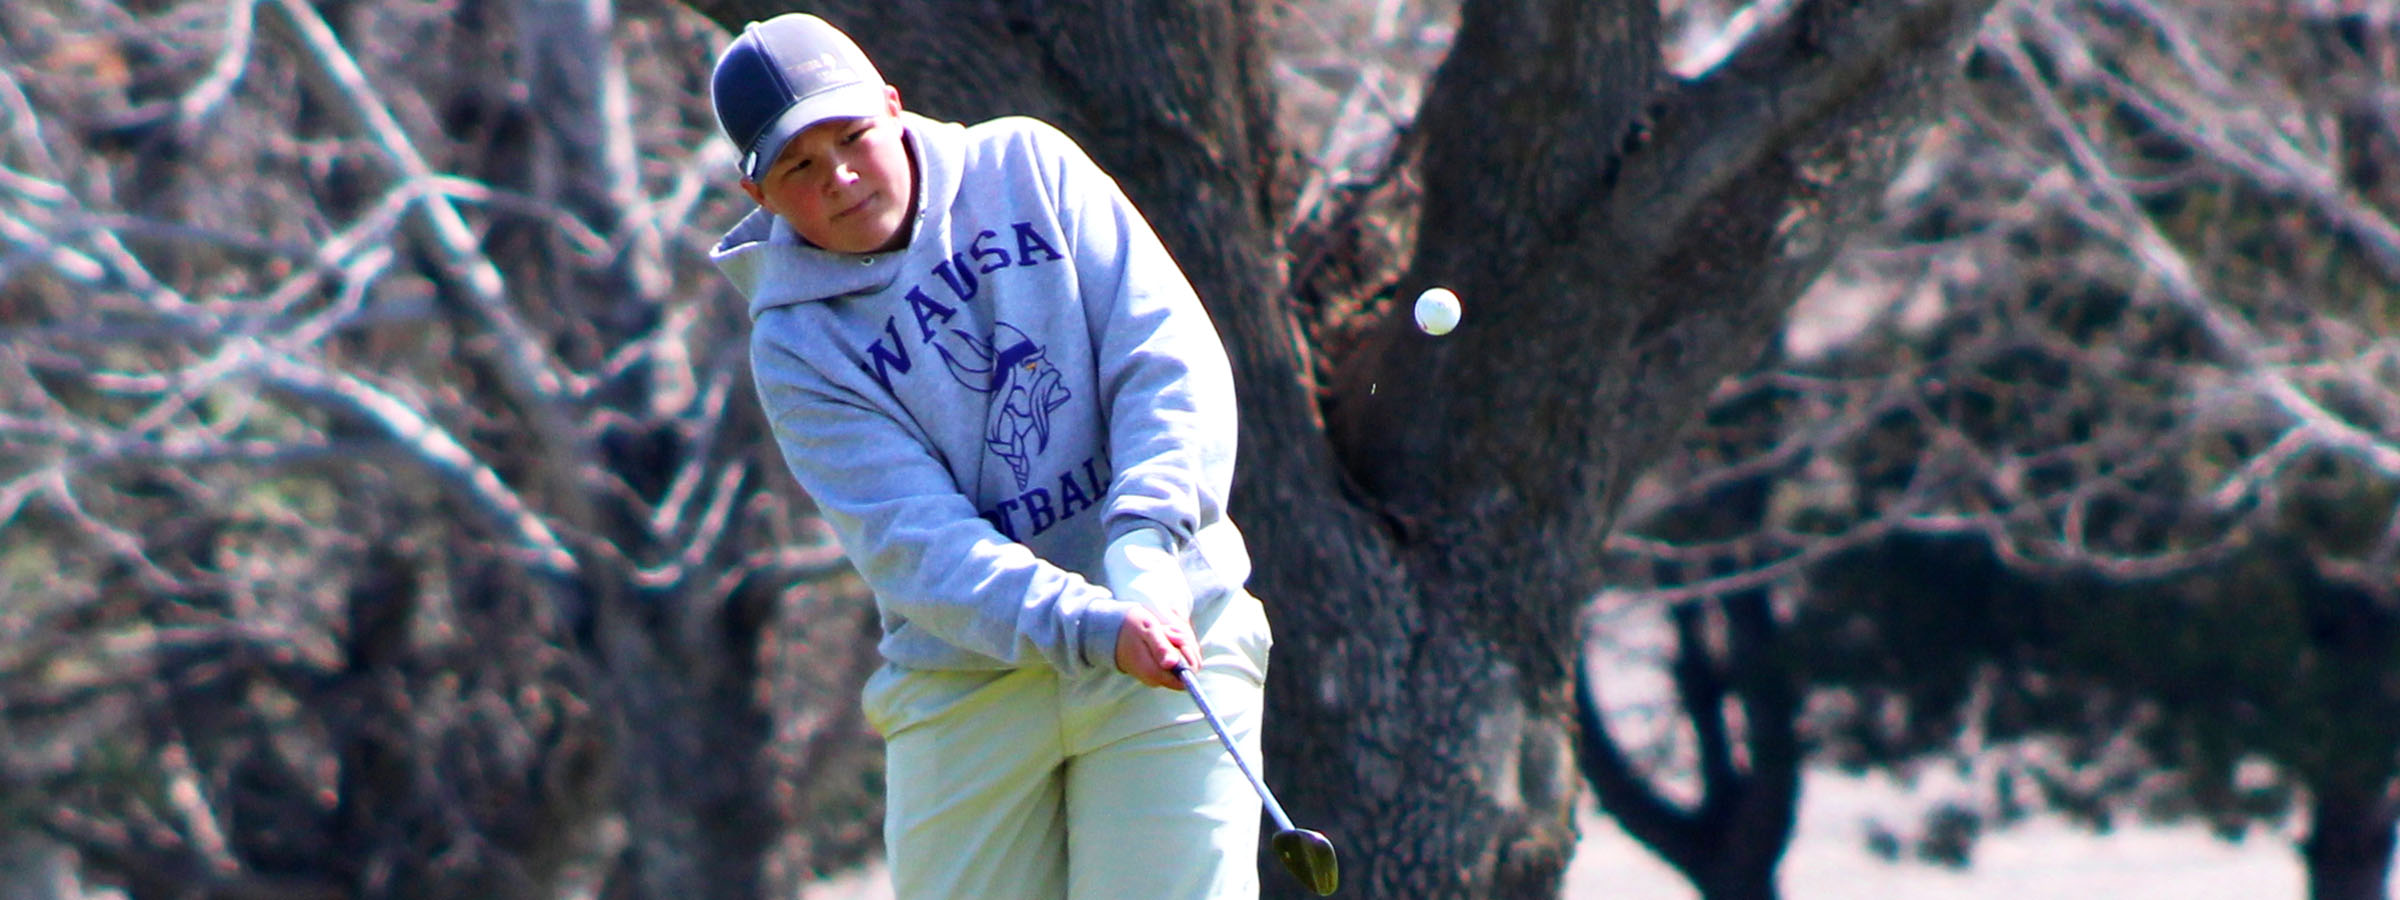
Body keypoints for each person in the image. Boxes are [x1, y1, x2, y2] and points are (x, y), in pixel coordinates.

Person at [705, 13, 1270, 900]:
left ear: (893, 106)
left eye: (851, 136)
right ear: (758, 195)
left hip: (1169, 627)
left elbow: (1164, 359)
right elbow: (921, 548)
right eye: (798, 168)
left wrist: (1145, 547)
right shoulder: (795, 344)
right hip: (970, 681)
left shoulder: (1027, 169)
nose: (842, 177)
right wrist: (1089, 626)